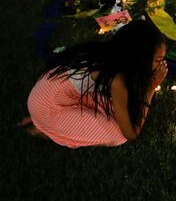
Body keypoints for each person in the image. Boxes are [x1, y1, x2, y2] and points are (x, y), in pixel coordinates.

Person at [20, 20, 167, 148]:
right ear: (139, 58)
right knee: (118, 134)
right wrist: (150, 88)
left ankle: (42, 121)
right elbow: (131, 133)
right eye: (157, 60)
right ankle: (45, 127)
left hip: (48, 95)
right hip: (49, 108)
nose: (161, 64)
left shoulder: (109, 54)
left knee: (120, 108)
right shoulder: (116, 80)